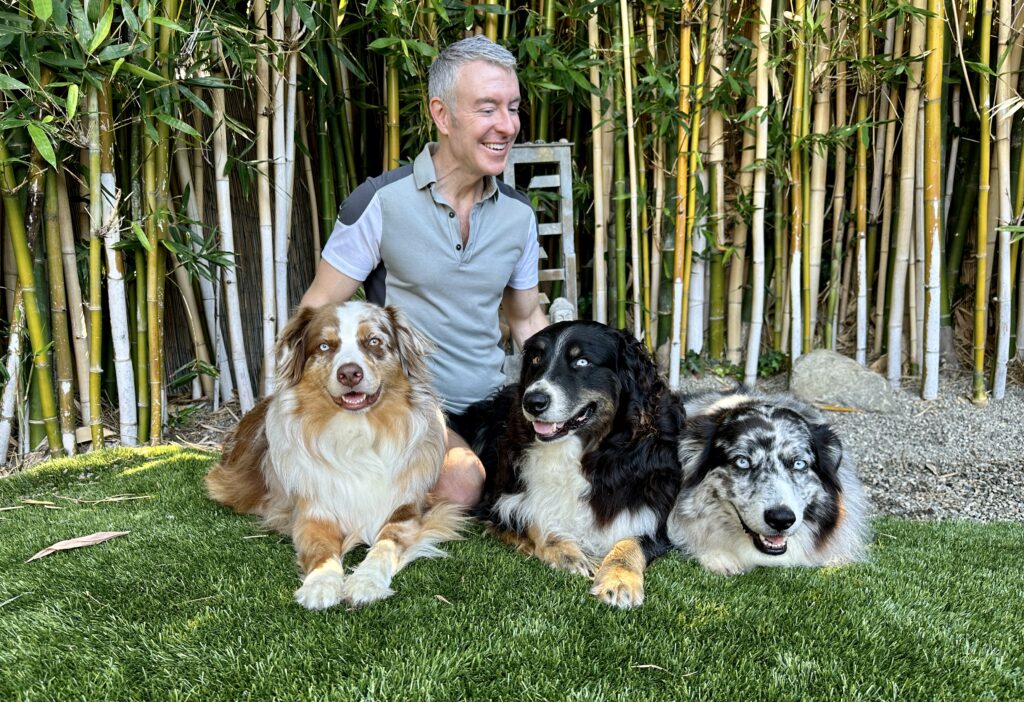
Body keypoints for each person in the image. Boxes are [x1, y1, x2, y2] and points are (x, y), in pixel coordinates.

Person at [300, 35, 549, 508]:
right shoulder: (379, 202)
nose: (507, 125)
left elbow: (526, 319)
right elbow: (318, 310)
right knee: (462, 484)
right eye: (488, 108)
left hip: (493, 405)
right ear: (442, 114)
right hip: (407, 402)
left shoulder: (519, 216)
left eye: (513, 108)